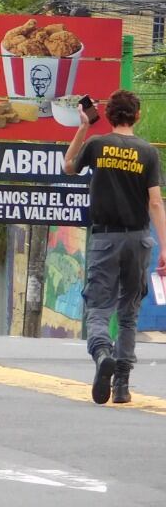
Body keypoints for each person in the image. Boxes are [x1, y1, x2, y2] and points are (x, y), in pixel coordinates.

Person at [63, 90, 166, 405]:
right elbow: (155, 202)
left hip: (105, 238)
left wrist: (83, 127)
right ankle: (121, 385)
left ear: (108, 117)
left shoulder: (97, 145)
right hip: (138, 239)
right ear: (137, 116)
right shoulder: (149, 153)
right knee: (128, 313)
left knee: (98, 306)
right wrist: (165, 247)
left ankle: (102, 352)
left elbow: (69, 166)